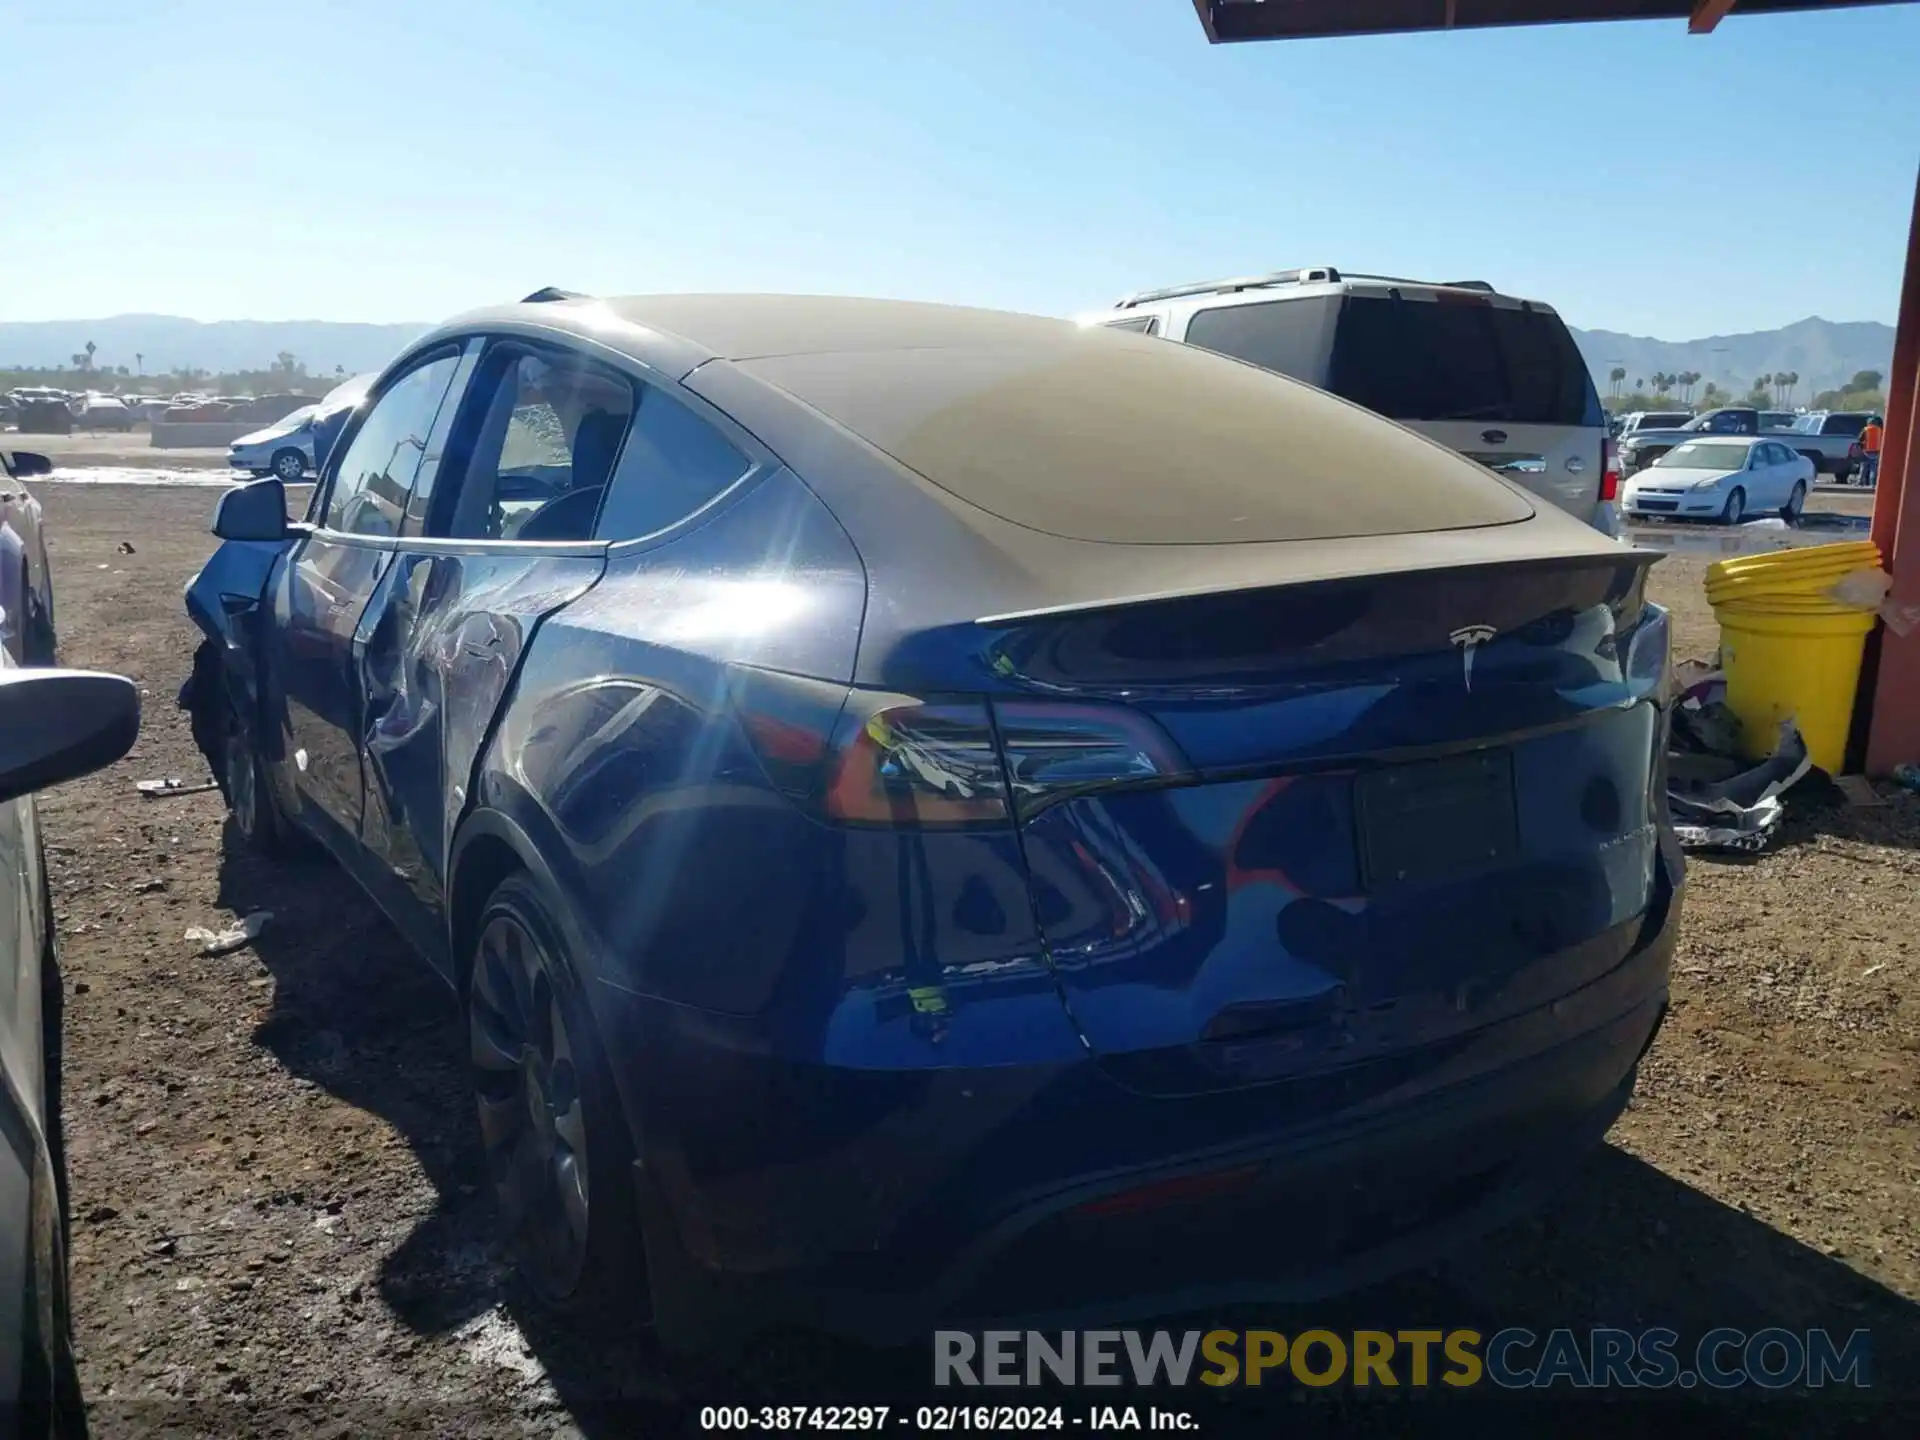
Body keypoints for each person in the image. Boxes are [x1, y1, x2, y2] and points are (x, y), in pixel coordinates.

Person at [1859, 415, 1885, 487]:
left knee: (1864, 468)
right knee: (1873, 469)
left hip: (1866, 452)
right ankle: (1872, 483)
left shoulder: (1865, 429)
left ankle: (1861, 482)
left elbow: (1860, 439)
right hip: (1876, 451)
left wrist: (1861, 447)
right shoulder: (1880, 430)